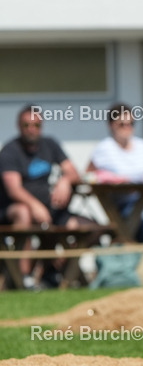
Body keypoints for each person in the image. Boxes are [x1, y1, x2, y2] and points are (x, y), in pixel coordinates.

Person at [0, 105, 92, 286]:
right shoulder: (10, 151)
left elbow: (74, 173)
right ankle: (21, 277)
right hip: (14, 209)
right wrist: (35, 206)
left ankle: (57, 269)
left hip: (51, 210)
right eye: (27, 125)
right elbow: (14, 189)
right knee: (24, 213)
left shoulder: (49, 144)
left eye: (36, 125)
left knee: (91, 229)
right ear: (19, 127)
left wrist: (65, 181)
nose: (32, 129)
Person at [86, 102, 143, 242]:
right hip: (121, 204)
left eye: (130, 123)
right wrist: (111, 179)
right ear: (111, 125)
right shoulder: (104, 148)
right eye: (122, 124)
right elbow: (88, 176)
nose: (127, 128)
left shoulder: (142, 146)